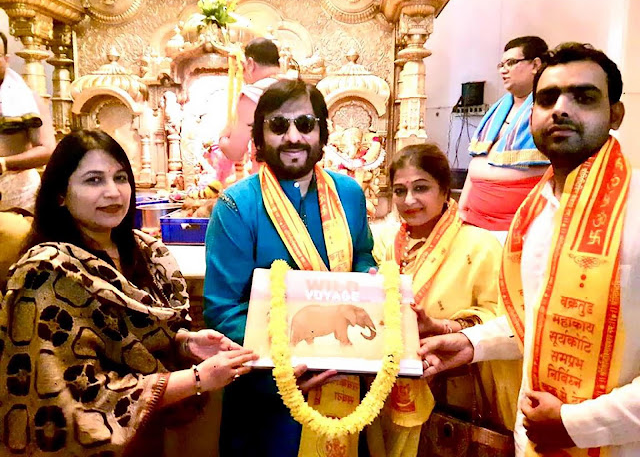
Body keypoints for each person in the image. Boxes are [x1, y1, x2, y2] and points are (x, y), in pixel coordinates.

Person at [419, 43, 640, 457]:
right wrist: (470, 343)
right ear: (531, 113)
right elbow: (538, 320)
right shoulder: (535, 214)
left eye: (584, 97)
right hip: (534, 441)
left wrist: (577, 425)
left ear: (615, 114)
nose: (561, 109)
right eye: (548, 98)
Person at [0, 130, 257, 456]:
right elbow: (74, 398)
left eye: (120, 178)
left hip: (147, 436)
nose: (113, 192)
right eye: (94, 180)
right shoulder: (45, 274)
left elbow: (136, 339)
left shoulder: (146, 253)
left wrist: (184, 343)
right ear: (60, 195)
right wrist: (197, 378)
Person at [204, 79, 377, 456]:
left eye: (305, 124)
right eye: (279, 125)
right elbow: (222, 310)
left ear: (322, 133)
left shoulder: (349, 194)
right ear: (260, 136)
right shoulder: (236, 205)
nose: (293, 137)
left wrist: (370, 279)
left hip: (343, 378)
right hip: (270, 388)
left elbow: (363, 254)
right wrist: (287, 360)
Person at [371, 144, 519, 455]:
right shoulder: (386, 244)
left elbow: (503, 319)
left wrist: (442, 326)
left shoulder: (480, 246)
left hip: (454, 396)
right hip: (389, 389)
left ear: (444, 190)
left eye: (421, 188)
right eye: (399, 190)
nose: (409, 200)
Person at [458, 36, 549, 238]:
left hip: (518, 227)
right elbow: (477, 161)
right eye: (501, 65)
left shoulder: (549, 111)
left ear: (535, 65)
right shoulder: (498, 109)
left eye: (511, 63)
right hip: (474, 220)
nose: (503, 70)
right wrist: (462, 208)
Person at [0, 31, 55, 214]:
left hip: (18, 193)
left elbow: (47, 149)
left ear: (6, 59)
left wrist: (4, 163)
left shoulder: (27, 99)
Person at [218, 37, 281, 164]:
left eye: (244, 67)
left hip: (270, 173)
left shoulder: (253, 94)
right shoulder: (299, 88)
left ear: (251, 64)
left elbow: (235, 152)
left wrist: (222, 137)